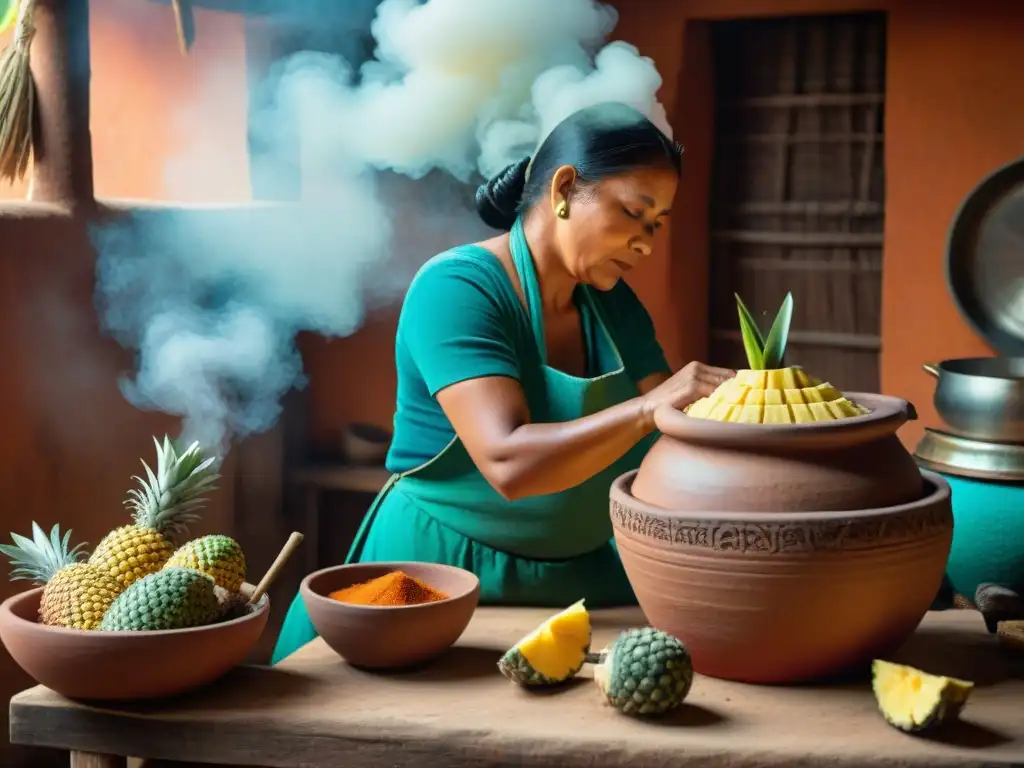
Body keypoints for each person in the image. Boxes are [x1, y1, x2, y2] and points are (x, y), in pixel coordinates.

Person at [272, 101, 734, 664]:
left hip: (585, 580)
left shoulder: (616, 307)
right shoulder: (459, 289)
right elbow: (509, 464)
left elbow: (669, 440)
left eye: (657, 224)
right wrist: (647, 409)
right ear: (565, 188)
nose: (646, 243)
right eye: (634, 213)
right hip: (439, 579)